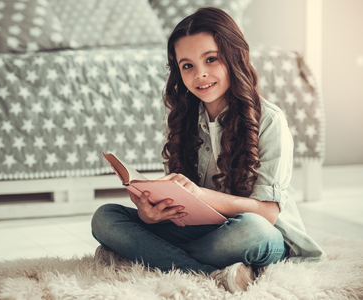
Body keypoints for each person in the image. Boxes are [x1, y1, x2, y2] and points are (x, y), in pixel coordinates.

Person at [91, 7, 325, 294]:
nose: (200, 74)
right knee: (105, 217)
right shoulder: (183, 119)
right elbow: (182, 205)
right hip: (202, 232)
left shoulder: (270, 121)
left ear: (234, 56)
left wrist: (201, 195)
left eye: (211, 59)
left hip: (255, 234)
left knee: (253, 230)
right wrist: (149, 215)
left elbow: (267, 213)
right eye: (187, 65)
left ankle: (142, 256)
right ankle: (213, 273)